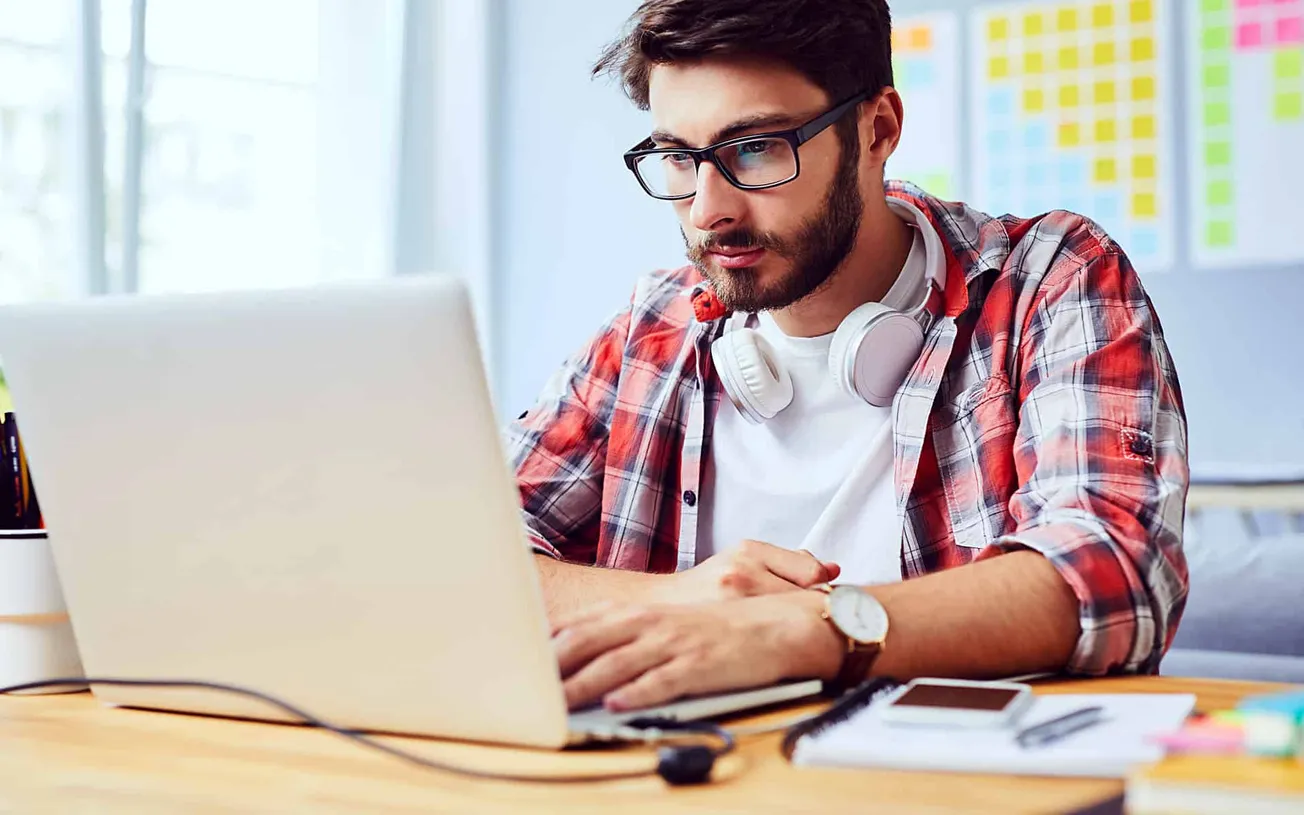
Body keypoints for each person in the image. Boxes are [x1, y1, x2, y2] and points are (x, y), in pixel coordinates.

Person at [505, 0, 1189, 714]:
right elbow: (458, 561)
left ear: (877, 130)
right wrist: (687, 601)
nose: (709, 210)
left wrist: (808, 628)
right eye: (679, 157)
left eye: (756, 148)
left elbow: (1113, 569)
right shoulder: (653, 330)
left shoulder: (1043, 280)